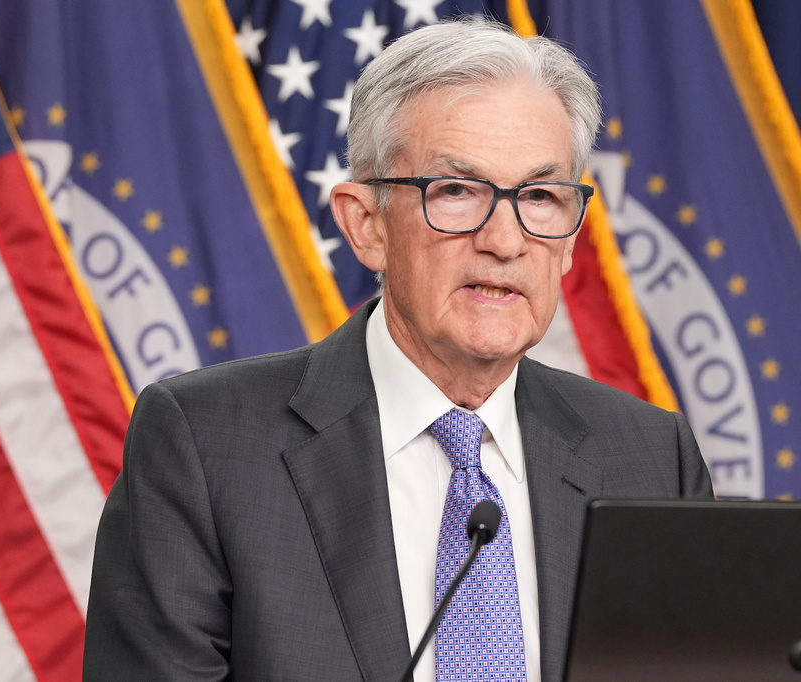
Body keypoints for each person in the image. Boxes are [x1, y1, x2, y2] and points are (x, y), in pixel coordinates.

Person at [83, 16, 713, 682]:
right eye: (458, 191)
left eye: (539, 196)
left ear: (569, 238)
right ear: (366, 225)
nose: (505, 240)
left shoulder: (650, 458)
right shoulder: (207, 448)